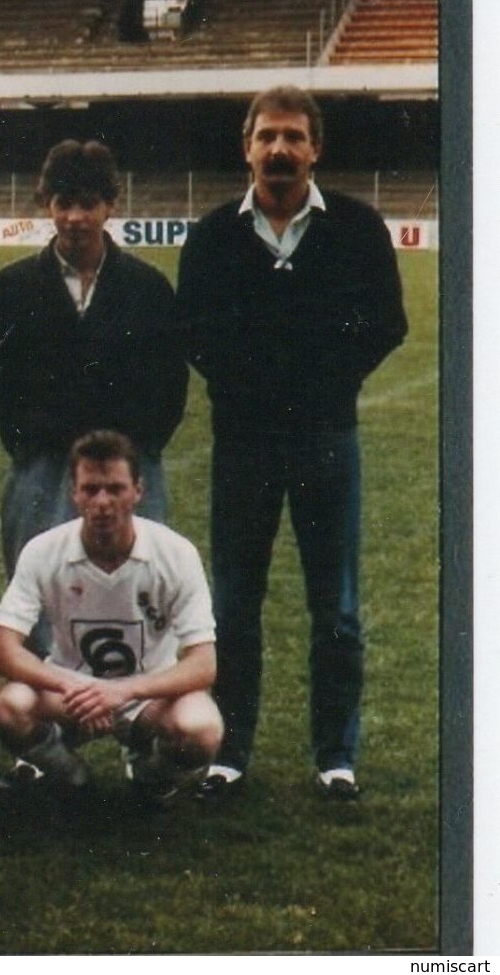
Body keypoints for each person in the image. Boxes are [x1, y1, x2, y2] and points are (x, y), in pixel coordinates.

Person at [177, 86, 407, 803]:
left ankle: (334, 756)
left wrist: (322, 381)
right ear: (245, 147)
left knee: (333, 607)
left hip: (325, 439)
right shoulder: (214, 234)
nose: (278, 150)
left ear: (315, 149)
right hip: (242, 443)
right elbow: (196, 332)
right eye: (266, 136)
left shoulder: (357, 229)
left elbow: (385, 324)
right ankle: (230, 750)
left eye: (292, 137)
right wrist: (253, 386)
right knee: (234, 606)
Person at [0, 139, 187, 576]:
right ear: (45, 204)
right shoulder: (14, 287)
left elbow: (170, 382)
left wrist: (137, 446)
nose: (74, 218)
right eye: (63, 203)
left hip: (128, 466)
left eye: (88, 204)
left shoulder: (147, 287)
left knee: (137, 588)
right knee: (39, 595)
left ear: (110, 206)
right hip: (44, 466)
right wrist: (29, 444)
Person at [0, 430, 222, 806]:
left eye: (115, 489)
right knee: (10, 706)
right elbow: (5, 650)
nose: (102, 502)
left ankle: (151, 776)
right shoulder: (43, 552)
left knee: (202, 729)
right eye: (91, 489)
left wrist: (121, 692)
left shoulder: (175, 553)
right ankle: (69, 774)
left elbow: (203, 664)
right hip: (69, 692)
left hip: (145, 696)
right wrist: (73, 688)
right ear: (74, 493)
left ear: (138, 491)